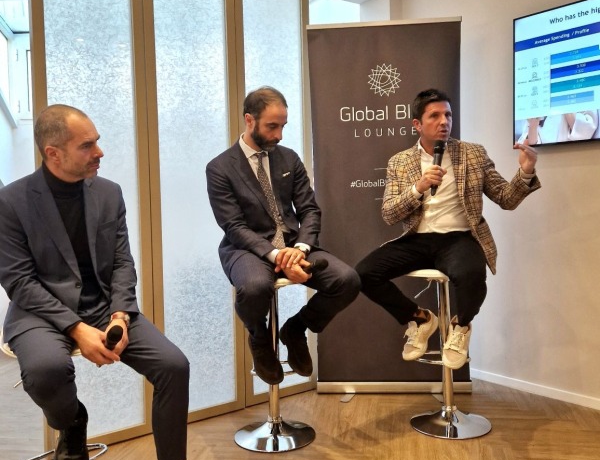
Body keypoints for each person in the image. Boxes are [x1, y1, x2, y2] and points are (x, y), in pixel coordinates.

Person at [0, 104, 228, 460]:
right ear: (53, 153)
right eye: (87, 145)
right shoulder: (11, 202)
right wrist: (77, 329)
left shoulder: (108, 192)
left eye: (97, 141)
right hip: (40, 313)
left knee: (173, 366)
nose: (99, 152)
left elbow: (122, 261)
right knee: (48, 370)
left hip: (106, 307)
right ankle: (72, 420)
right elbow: (20, 282)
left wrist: (121, 315)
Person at [356, 88, 541, 370]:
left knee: (472, 275)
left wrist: (526, 172)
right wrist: (418, 187)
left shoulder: (473, 154)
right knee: (363, 274)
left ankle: (460, 326)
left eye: (448, 115)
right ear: (417, 124)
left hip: (459, 238)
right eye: (435, 116)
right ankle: (419, 319)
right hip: (417, 239)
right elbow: (389, 214)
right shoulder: (400, 161)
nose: (444, 121)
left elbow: (506, 199)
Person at [206, 86, 360, 385]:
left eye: (283, 126)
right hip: (246, 248)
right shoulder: (220, 168)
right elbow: (234, 226)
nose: (279, 135)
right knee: (254, 287)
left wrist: (299, 249)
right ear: (249, 120)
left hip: (294, 244)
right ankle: (259, 338)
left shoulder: (289, 159)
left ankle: (295, 329)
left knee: (348, 280)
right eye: (272, 126)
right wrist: (278, 257)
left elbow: (310, 210)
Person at [518, 110, 599, 144]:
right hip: (544, 160)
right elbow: (530, 144)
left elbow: (585, 130)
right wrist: (533, 125)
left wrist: (562, 100)